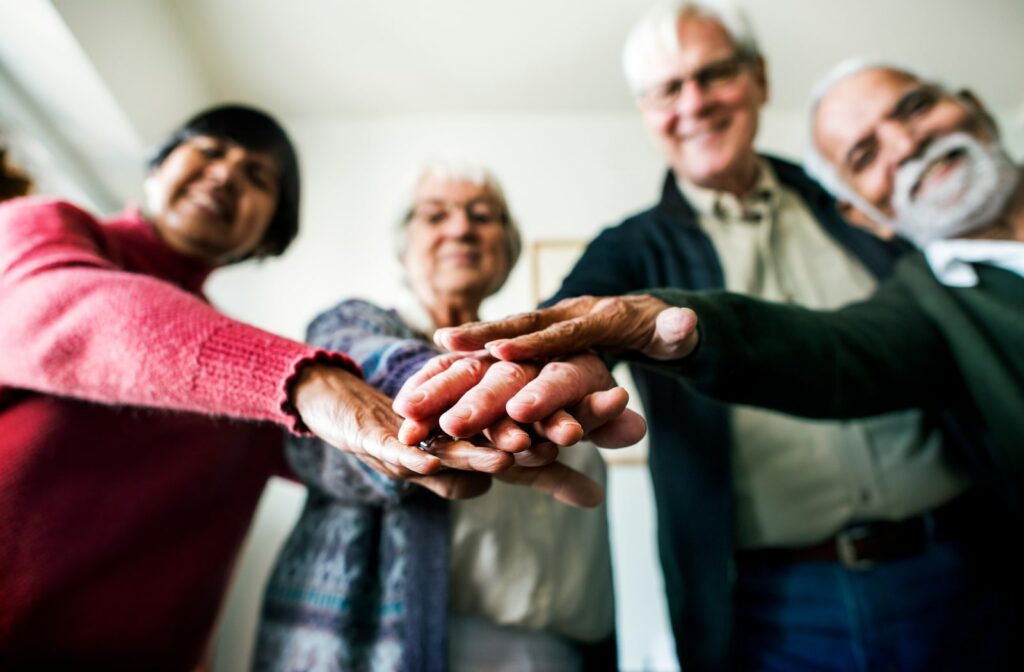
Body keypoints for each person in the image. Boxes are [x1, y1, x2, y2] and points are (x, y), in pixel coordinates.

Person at [402, 4, 976, 670]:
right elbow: (576, 319)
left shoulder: (857, 201)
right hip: (779, 604)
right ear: (647, 113)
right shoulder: (630, 247)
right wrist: (534, 374)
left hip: (968, 559)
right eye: (668, 90)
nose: (694, 104)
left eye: (714, 75)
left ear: (758, 78)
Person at [0, 106, 616, 670]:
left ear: (272, 230)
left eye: (259, 177)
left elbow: (321, 455)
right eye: (209, 150)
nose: (226, 175)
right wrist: (319, 385)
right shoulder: (41, 232)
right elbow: (81, 317)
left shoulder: (541, 365)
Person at [255, 159, 629, 672]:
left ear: (507, 245)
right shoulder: (353, 324)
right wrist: (453, 383)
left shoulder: (546, 360)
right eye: (435, 216)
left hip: (558, 652)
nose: (461, 228)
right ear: (404, 245)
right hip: (390, 652)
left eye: (482, 215)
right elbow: (340, 366)